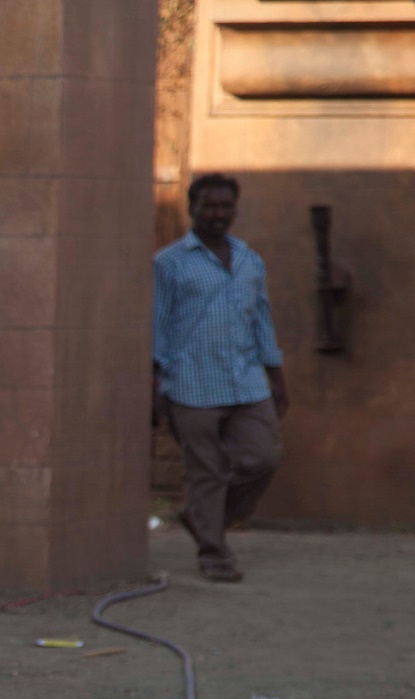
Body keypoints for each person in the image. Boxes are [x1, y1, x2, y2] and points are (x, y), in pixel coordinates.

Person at [153, 173, 288, 583]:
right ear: (192, 208)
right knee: (206, 472)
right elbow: (157, 325)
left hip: (246, 381)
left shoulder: (249, 260)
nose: (218, 214)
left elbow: (261, 319)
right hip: (191, 384)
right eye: (209, 206)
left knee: (263, 458)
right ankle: (215, 555)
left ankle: (205, 518)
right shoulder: (169, 263)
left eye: (226, 206)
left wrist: (277, 377)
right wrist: (155, 385)